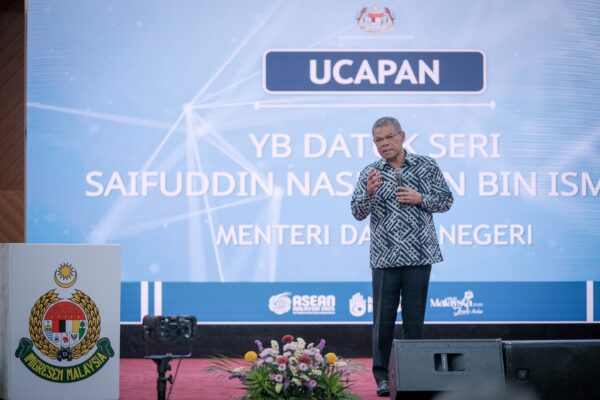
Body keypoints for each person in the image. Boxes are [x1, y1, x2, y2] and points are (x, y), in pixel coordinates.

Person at [351, 117, 453, 397]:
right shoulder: (370, 172)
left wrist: (421, 198)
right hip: (385, 257)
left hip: (419, 254)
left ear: (402, 136)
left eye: (388, 137)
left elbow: (446, 200)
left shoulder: (426, 165)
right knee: (382, 322)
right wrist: (369, 193)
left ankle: (413, 375)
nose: (383, 144)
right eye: (377, 140)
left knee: (414, 321)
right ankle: (382, 377)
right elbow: (357, 212)